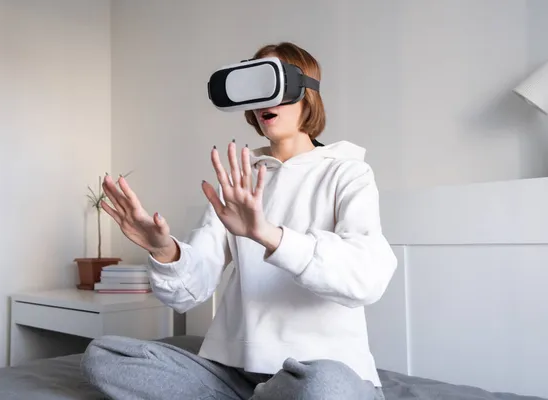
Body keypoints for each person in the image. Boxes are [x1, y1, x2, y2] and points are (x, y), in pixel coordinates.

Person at [81, 42, 397, 400]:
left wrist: (268, 235)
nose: (265, 102)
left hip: (318, 373)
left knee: (324, 388)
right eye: (255, 91)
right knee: (104, 357)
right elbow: (192, 290)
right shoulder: (239, 178)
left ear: (305, 93)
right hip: (236, 374)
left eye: (272, 86)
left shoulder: (347, 171)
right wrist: (164, 250)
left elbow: (366, 279)